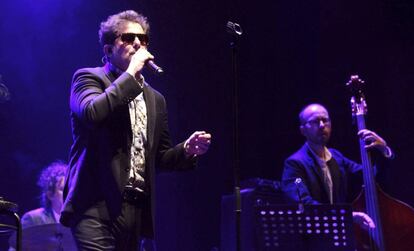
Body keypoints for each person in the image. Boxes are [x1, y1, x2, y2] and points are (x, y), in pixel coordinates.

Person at [60, 10, 211, 251]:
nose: (138, 43)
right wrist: (131, 74)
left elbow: (159, 159)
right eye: (129, 38)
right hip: (94, 205)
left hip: (135, 210)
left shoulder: (155, 99)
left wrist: (186, 150)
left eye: (143, 39)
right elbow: (92, 113)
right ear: (109, 50)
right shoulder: (88, 79)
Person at [281, 103, 393, 229]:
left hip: (339, 236)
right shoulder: (294, 164)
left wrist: (384, 150)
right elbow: (303, 204)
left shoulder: (336, 157)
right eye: (315, 121)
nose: (322, 125)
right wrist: (344, 215)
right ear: (303, 130)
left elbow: (370, 176)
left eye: (325, 120)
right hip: (312, 237)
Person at [21, 161, 67, 227]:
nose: (68, 193)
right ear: (50, 194)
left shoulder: (77, 221)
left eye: (70, 190)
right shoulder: (32, 219)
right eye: (62, 189)